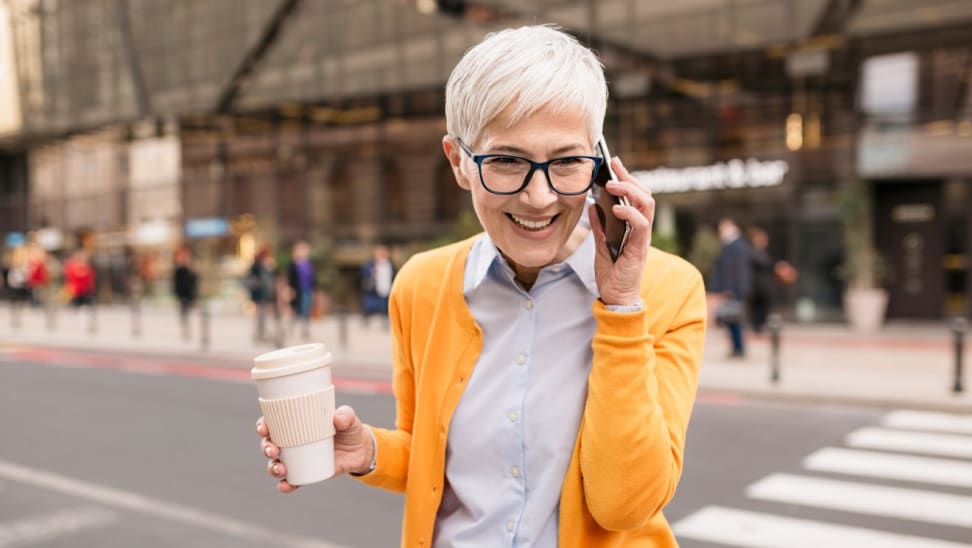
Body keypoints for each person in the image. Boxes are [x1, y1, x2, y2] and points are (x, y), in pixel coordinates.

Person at [256, 25, 706, 547]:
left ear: (600, 164)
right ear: (459, 162)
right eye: (507, 161)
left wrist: (622, 306)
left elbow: (624, 504)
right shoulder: (422, 285)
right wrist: (367, 451)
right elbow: (436, 462)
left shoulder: (668, 291)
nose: (539, 197)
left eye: (565, 162)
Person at [711, 218, 751, 357]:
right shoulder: (730, 245)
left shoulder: (736, 245)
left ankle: (738, 348)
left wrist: (731, 288)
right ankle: (736, 347)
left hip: (734, 289)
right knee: (731, 319)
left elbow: (736, 270)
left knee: (734, 319)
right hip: (732, 288)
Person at [360, 244, 395, 327]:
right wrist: (372, 272)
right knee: (370, 306)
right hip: (374, 289)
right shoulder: (370, 264)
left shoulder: (390, 265)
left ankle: (385, 321)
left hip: (387, 288)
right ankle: (366, 320)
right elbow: (363, 273)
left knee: (386, 306)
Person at [246, 247, 277, 342]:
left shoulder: (263, 265)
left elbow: (271, 278)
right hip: (259, 294)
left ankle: (260, 334)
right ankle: (259, 335)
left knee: (262, 315)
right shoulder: (257, 265)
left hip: (264, 294)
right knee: (260, 315)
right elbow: (259, 279)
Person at [286, 240, 315, 340]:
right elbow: (290, 278)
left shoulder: (308, 263)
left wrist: (314, 289)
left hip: (307, 290)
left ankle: (305, 330)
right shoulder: (293, 264)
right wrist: (290, 290)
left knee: (306, 310)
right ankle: (292, 330)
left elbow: (312, 278)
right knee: (295, 311)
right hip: (296, 291)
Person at [172, 247, 198, 340]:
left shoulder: (188, 270)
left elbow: (193, 283)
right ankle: (185, 331)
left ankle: (187, 331)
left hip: (187, 295)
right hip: (183, 296)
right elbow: (177, 285)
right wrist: (179, 296)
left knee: (186, 313)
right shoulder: (179, 271)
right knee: (184, 314)